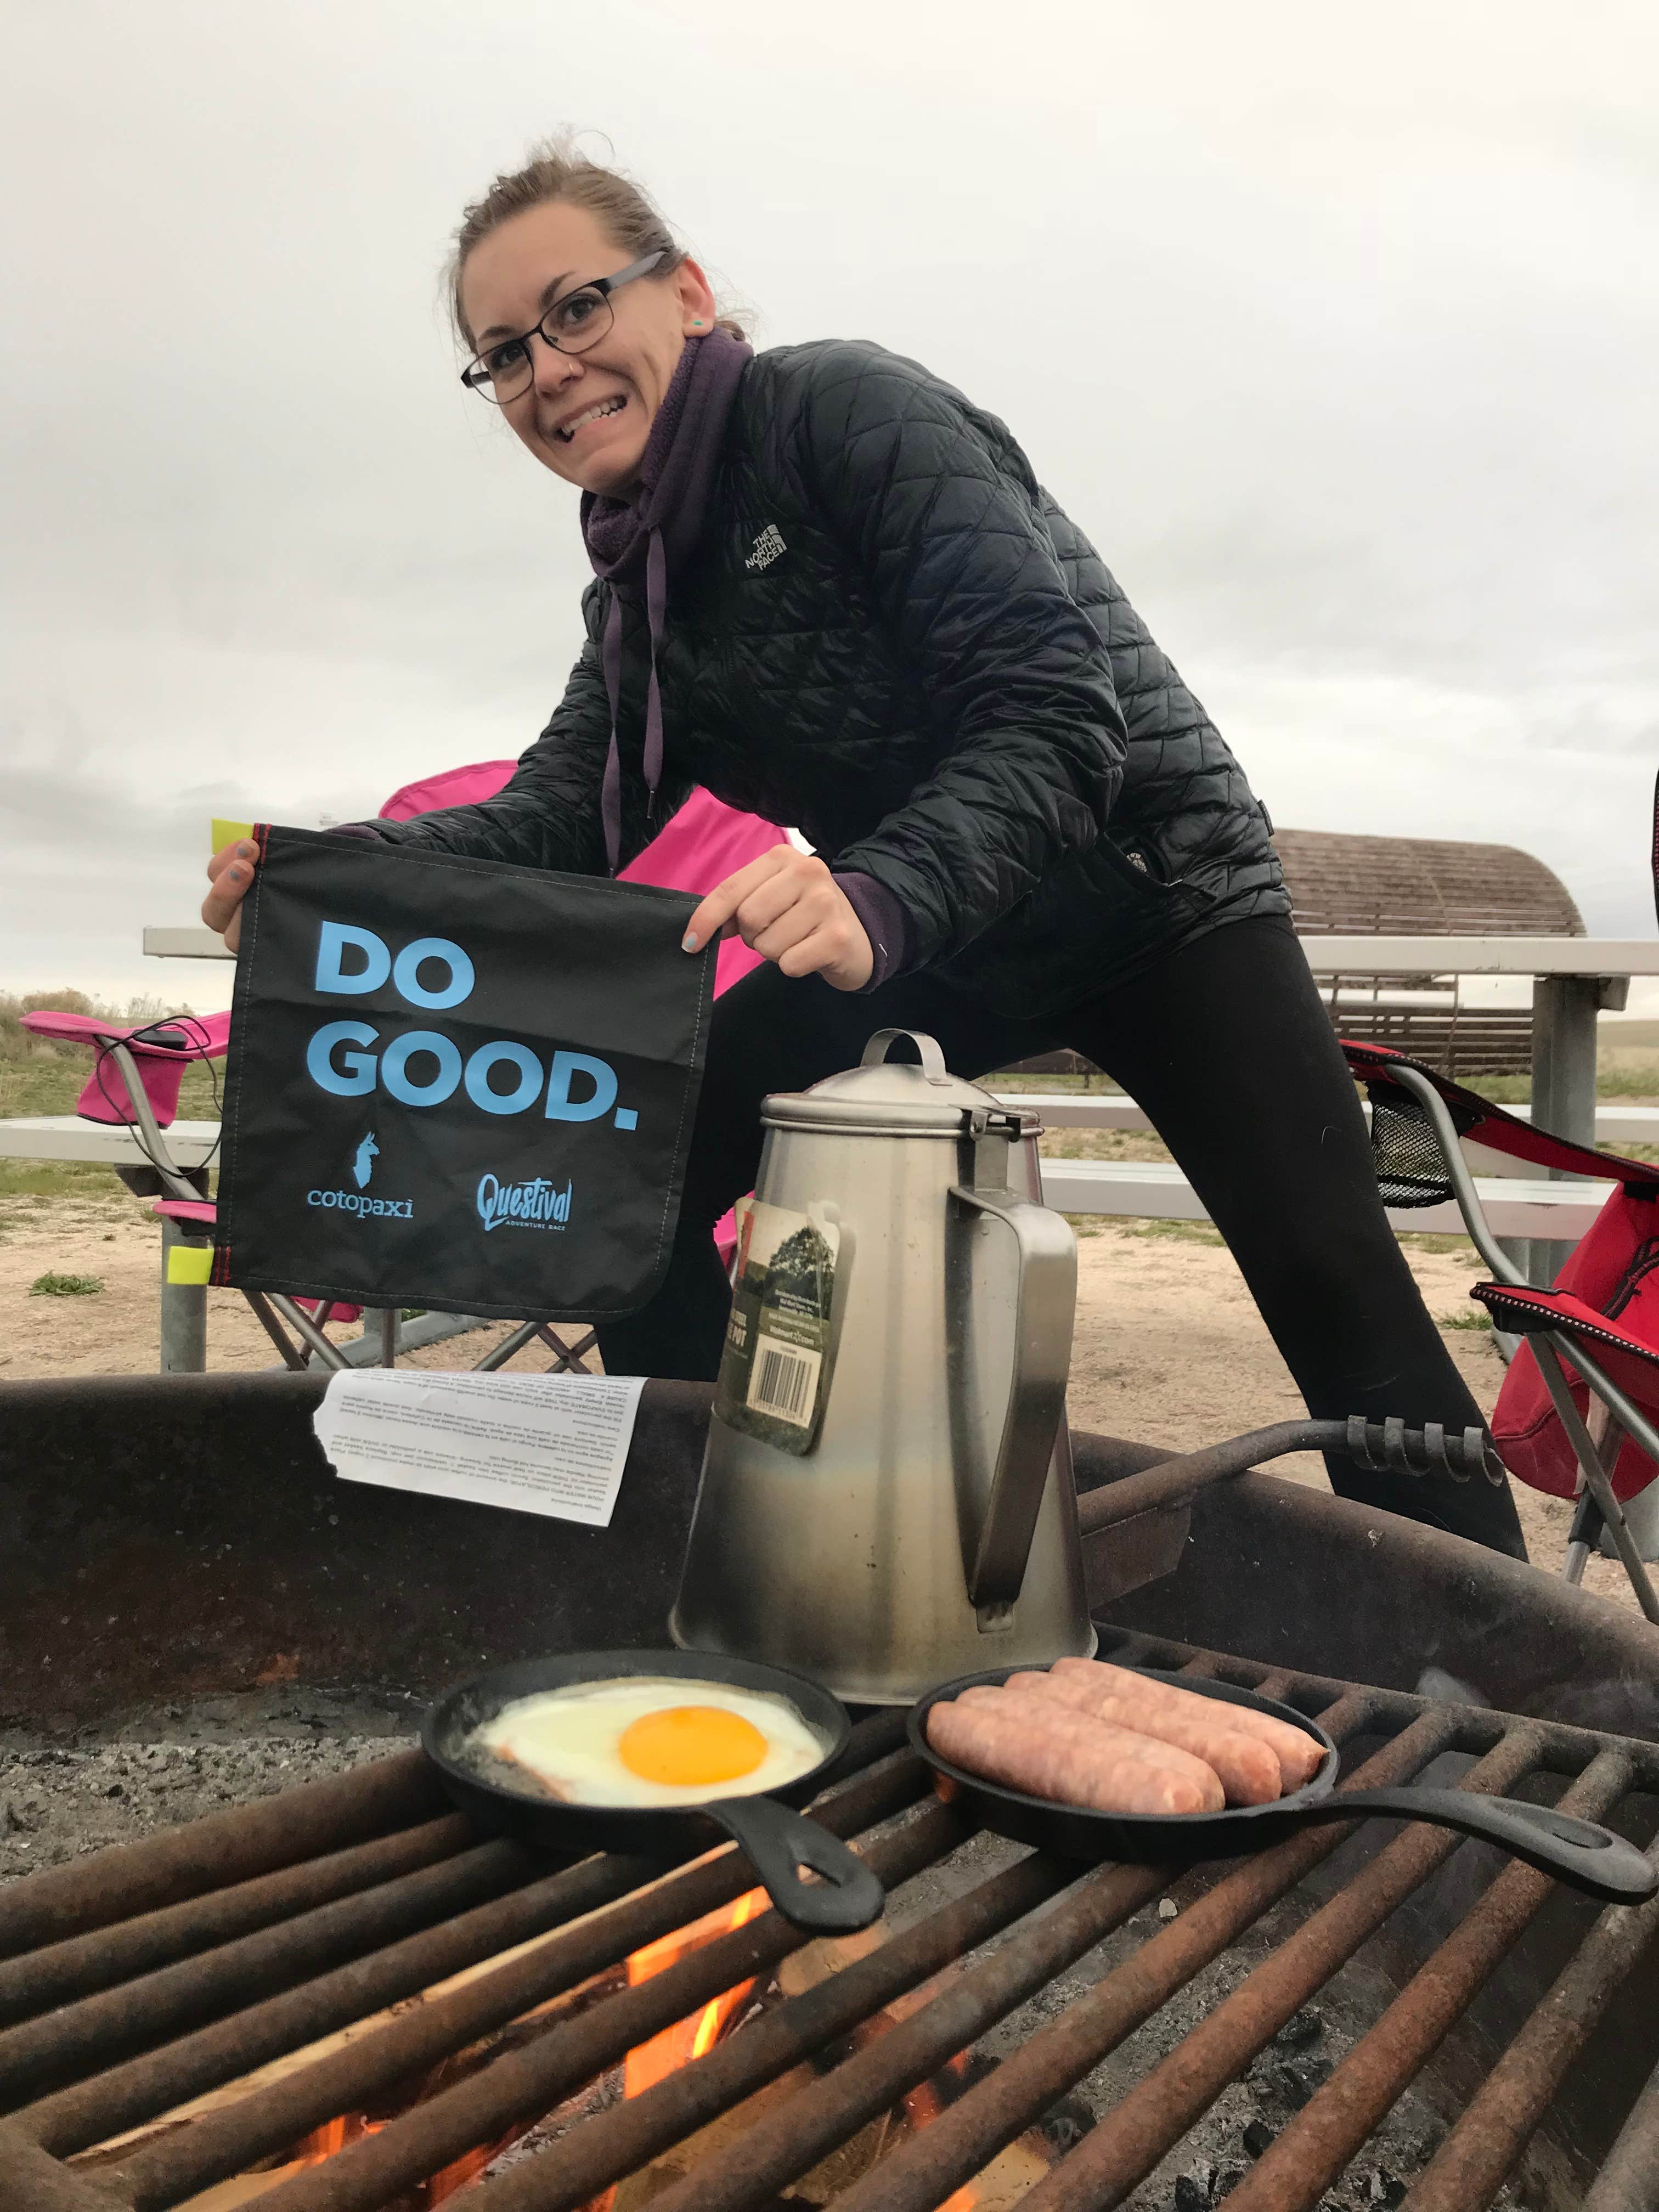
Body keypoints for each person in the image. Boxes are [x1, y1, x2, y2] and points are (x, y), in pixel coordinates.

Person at [204, 140, 1526, 1558]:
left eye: (578, 307)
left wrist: (877, 888)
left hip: (1156, 893)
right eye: (506, 353)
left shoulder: (845, 414)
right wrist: (333, 873)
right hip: (939, 933)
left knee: (1336, 1289)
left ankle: (1504, 1665)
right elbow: (558, 823)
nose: (550, 370)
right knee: (635, 1180)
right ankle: (741, 1557)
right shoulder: (642, 588)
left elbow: (1058, 713)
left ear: (687, 294)